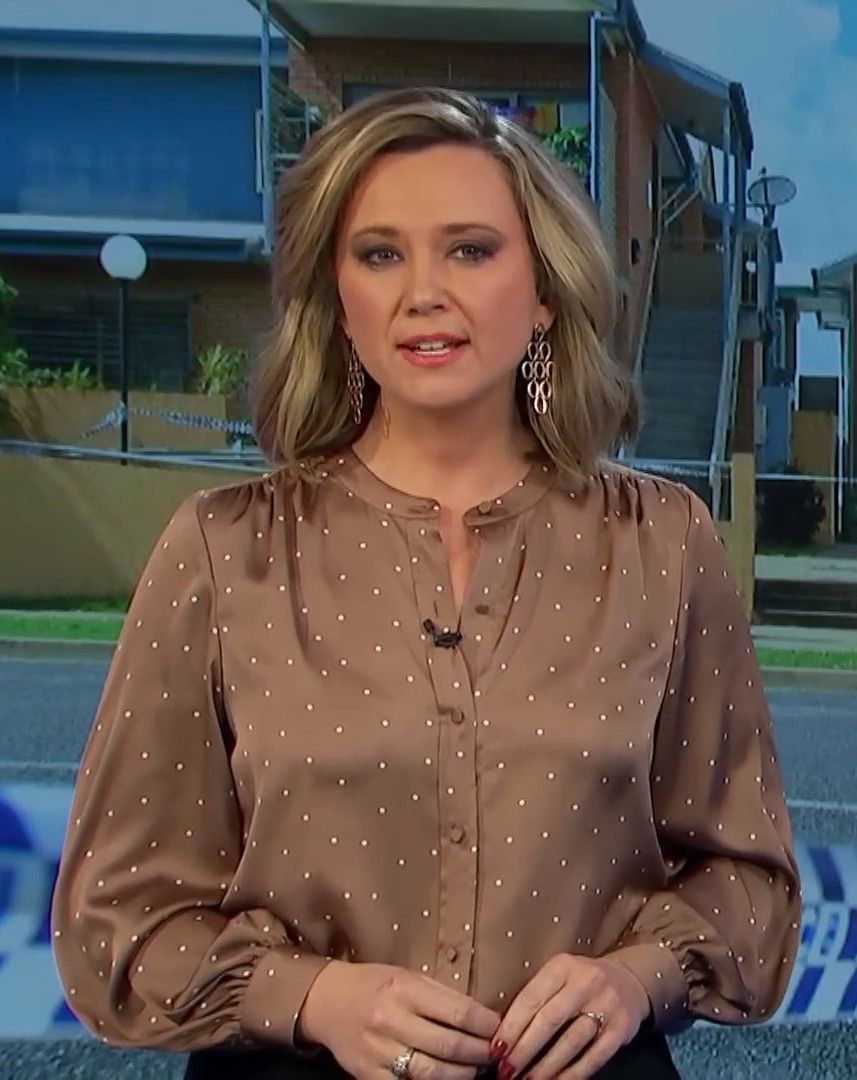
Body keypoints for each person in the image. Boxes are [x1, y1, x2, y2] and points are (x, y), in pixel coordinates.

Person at [51, 87, 801, 1080]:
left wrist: (639, 976)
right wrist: (309, 997)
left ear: (543, 290)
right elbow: (118, 913)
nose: (422, 292)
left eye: (469, 250)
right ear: (337, 297)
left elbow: (749, 880)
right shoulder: (223, 552)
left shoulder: (661, 544)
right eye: (378, 255)